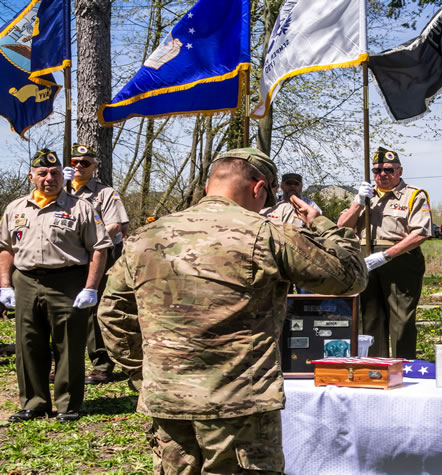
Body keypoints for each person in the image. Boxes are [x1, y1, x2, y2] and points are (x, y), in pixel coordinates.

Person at [97, 147, 367, 473]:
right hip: (240, 406)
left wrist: (144, 374)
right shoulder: (268, 234)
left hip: (167, 400)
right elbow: (350, 276)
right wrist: (320, 223)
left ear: (209, 185)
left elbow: (113, 313)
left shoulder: (145, 237)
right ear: (259, 188)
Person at [0, 149, 112, 422]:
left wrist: (91, 288)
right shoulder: (15, 208)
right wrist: (5, 285)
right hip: (26, 280)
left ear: (63, 176)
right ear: (32, 177)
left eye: (55, 173)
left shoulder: (80, 208)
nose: (49, 178)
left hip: (67, 281)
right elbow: (5, 248)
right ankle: (34, 403)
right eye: (42, 173)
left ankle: (68, 405)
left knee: (68, 346)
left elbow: (99, 248)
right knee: (28, 344)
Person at [338, 146, 432, 358]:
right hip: (366, 258)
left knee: (401, 318)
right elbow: (341, 227)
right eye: (377, 170)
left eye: (389, 169)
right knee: (369, 317)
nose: (382, 174)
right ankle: (374, 366)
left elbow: (421, 233)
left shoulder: (413, 195)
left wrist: (386, 255)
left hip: (399, 259)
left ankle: (402, 365)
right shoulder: (366, 195)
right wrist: (358, 203)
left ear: (400, 171)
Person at [62, 143, 130, 385]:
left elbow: (115, 225)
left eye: (85, 163)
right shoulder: (58, 190)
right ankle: (64, 364)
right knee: (63, 310)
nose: (79, 166)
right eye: (74, 162)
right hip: (66, 259)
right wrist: (61, 185)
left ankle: (101, 365)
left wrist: (89, 242)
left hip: (97, 257)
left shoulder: (105, 193)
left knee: (94, 311)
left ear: (95, 167)